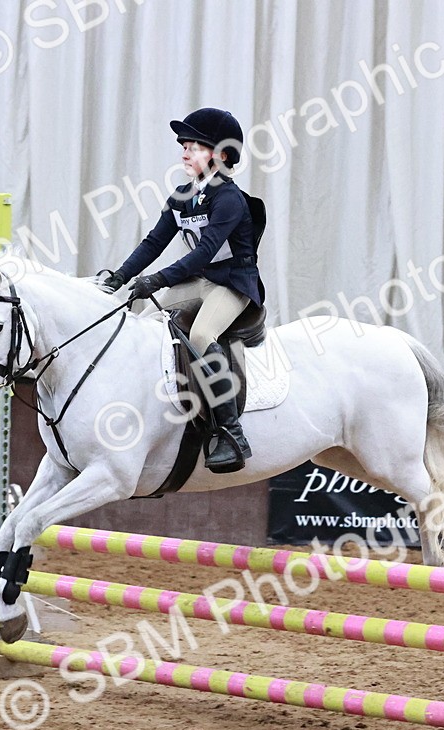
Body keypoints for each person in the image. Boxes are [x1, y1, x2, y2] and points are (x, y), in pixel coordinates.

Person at [100, 107, 263, 474]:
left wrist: (156, 281)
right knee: (141, 320)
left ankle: (231, 433)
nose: (185, 152)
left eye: (195, 146)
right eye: (184, 145)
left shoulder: (229, 198)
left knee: (203, 334)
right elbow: (154, 242)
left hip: (234, 284)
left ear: (221, 155)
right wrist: (120, 277)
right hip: (200, 283)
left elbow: (205, 252)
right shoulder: (183, 195)